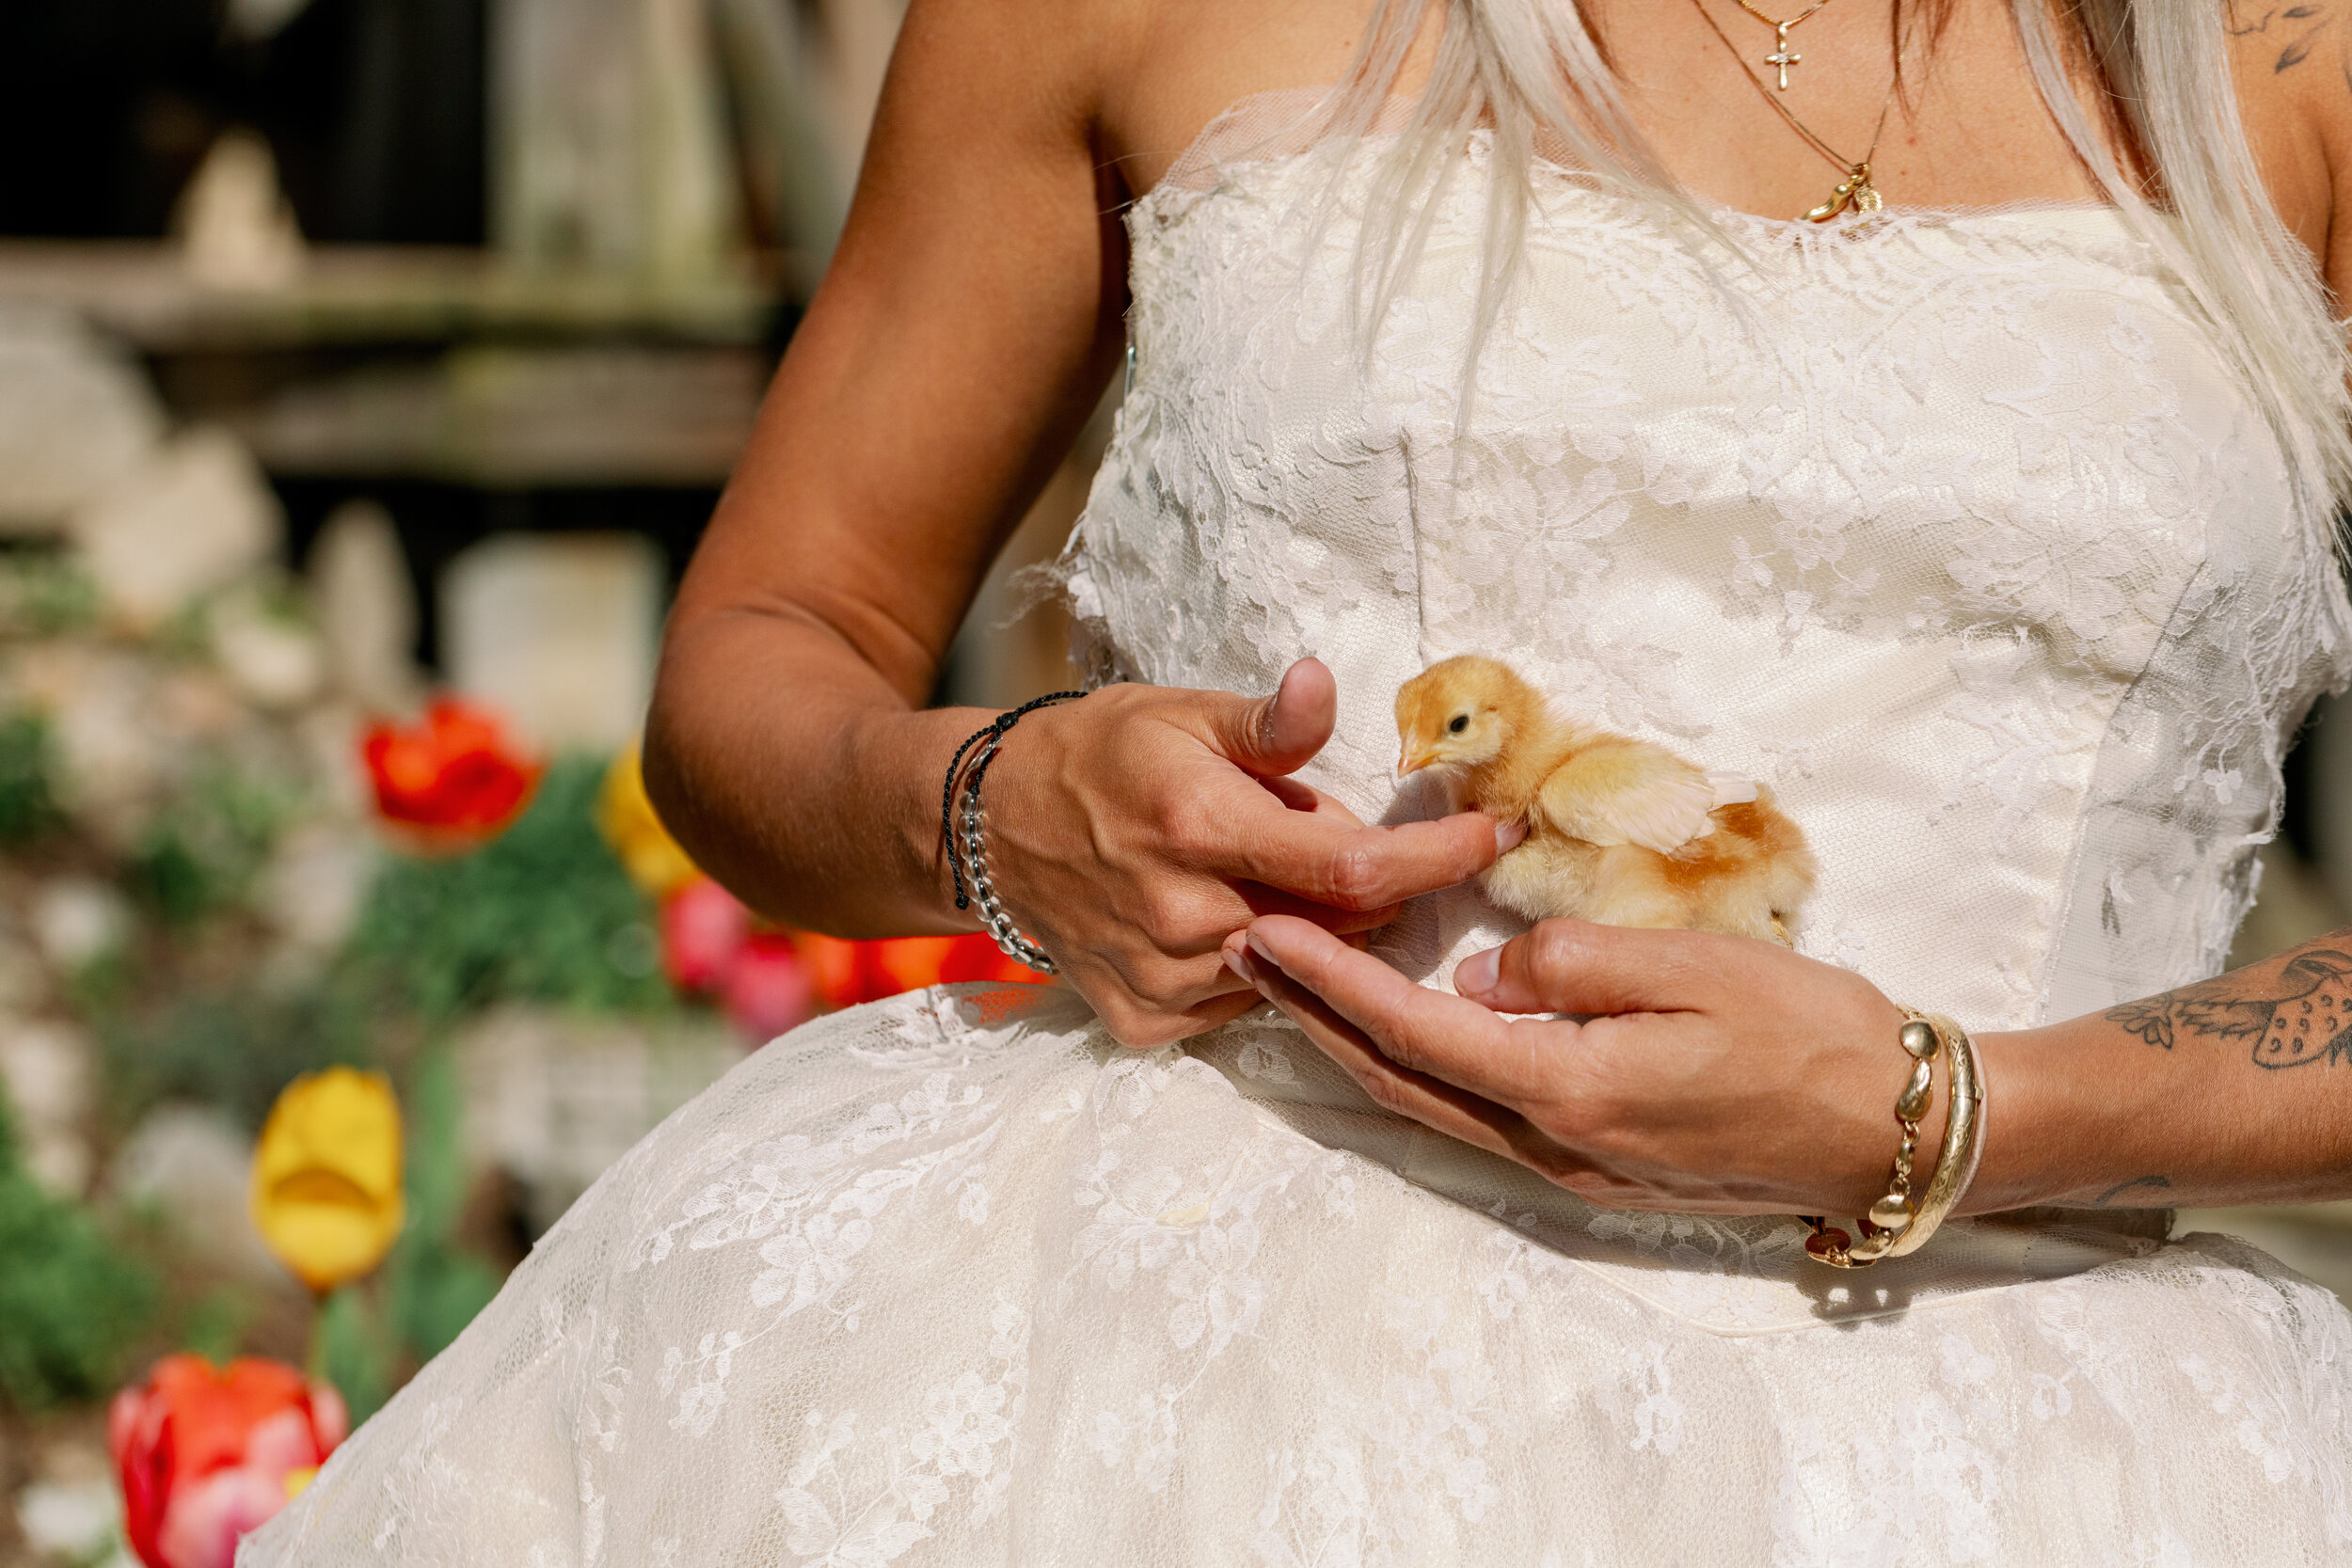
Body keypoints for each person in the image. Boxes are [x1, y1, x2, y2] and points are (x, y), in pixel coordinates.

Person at [246, 0, 2352, 1560]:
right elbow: (761, 653)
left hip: (2035, 1434)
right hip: (1144, 1379)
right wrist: (997, 808)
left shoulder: (2286, 58)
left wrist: (1951, 1112)